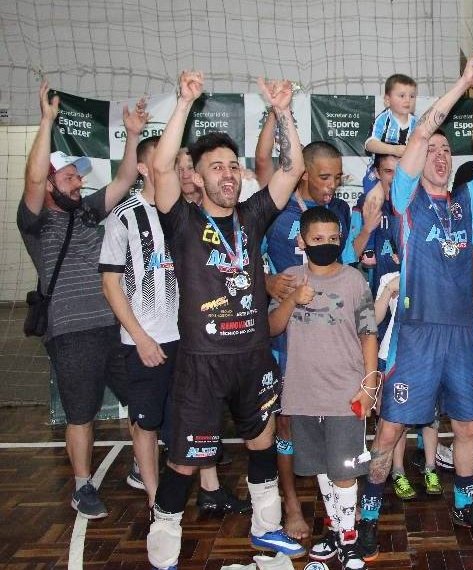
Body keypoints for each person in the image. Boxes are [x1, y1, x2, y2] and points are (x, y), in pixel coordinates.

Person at [356, 52, 473, 560]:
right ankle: (367, 515)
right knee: (390, 430)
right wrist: (463, 85)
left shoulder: (465, 202)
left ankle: (464, 502)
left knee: (469, 426)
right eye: (429, 149)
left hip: (458, 334)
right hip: (415, 334)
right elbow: (422, 131)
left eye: (443, 152)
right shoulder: (407, 199)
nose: (437, 155)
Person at [145, 71, 307, 569]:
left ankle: (267, 530)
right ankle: (164, 545)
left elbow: (293, 165)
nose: (229, 174)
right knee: (183, 461)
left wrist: (281, 112)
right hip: (203, 362)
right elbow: (160, 170)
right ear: (197, 175)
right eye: (217, 167)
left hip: (252, 356)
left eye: (234, 166)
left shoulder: (253, 217)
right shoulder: (183, 220)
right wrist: (184, 103)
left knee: (261, 442)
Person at [18, 81, 147, 519]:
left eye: (78, 176)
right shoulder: (36, 223)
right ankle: (82, 485)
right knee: (81, 412)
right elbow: (33, 178)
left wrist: (132, 136)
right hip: (71, 332)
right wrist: (47, 121)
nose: (78, 182)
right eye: (70, 177)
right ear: (51, 185)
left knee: (140, 399)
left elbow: (127, 178)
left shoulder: (90, 212)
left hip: (114, 324)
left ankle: (139, 468)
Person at [101, 136, 248, 515]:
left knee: (198, 416)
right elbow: (110, 284)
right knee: (146, 424)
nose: (183, 172)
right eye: (175, 165)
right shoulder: (125, 216)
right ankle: (155, 499)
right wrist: (140, 337)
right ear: (147, 169)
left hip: (191, 339)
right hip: (147, 342)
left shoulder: (189, 213)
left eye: (186, 166)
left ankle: (211, 489)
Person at [257, 114, 353, 541]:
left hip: (326, 334)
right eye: (324, 177)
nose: (331, 186)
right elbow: (241, 259)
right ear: (303, 175)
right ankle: (291, 504)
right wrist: (265, 281)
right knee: (287, 421)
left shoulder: (338, 213)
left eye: (336, 177)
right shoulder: (273, 211)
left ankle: (338, 503)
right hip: (285, 334)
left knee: (331, 412)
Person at [268, 206, 379, 570]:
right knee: (320, 467)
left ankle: (348, 537)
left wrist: (370, 383)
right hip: (302, 393)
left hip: (345, 393)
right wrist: (291, 298)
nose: (326, 245)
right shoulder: (289, 278)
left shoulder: (354, 280)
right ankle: (335, 530)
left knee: (345, 471)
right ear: (301, 241)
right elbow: (271, 328)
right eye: (317, 239)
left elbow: (368, 333)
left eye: (333, 239)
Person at [358, 74, 419, 265]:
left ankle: (400, 247)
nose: (407, 100)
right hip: (378, 175)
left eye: (412, 96)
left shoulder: (416, 123)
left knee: (405, 209)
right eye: (401, 95)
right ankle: (368, 248)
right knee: (375, 201)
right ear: (387, 99)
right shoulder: (383, 119)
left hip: (405, 176)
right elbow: (370, 144)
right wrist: (394, 149)